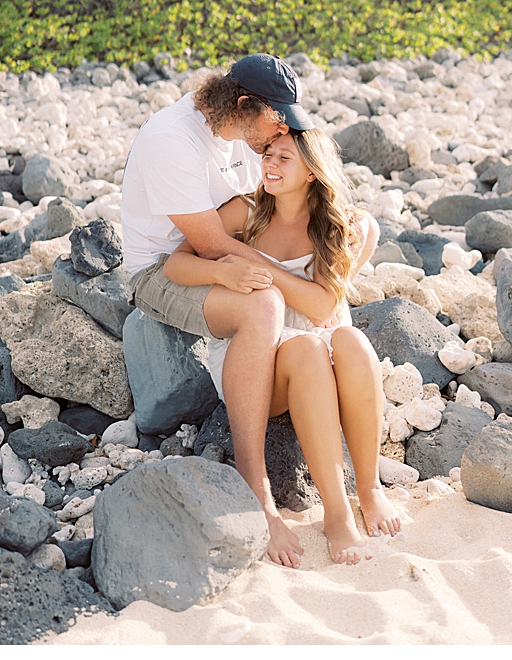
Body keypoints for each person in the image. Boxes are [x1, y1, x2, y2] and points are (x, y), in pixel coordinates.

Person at [162, 126, 399, 564]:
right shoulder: (244, 213)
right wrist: (222, 272)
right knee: (308, 349)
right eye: (267, 154)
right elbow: (176, 264)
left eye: (283, 158)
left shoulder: (339, 226)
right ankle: (337, 513)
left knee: (353, 341)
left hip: (320, 348)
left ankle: (369, 488)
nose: (269, 163)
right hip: (260, 362)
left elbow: (320, 304)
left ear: (312, 171)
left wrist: (249, 260)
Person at [121, 53, 314, 566]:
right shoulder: (171, 138)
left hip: (227, 250)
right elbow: (207, 244)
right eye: (275, 119)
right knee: (264, 308)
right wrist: (291, 282)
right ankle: (258, 489)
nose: (278, 133)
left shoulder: (249, 135)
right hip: (163, 269)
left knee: (309, 295)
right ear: (244, 104)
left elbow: (267, 203)